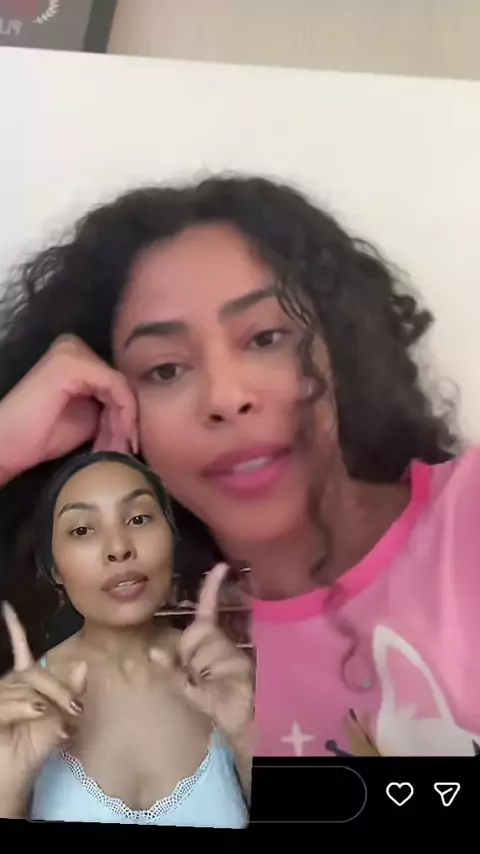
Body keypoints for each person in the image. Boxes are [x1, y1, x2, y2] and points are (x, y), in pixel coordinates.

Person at [0, 174, 478, 759]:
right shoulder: (102, 648)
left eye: (267, 337)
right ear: (114, 411)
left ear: (342, 347)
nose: (227, 398)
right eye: (166, 370)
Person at [0, 451, 252, 824]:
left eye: (138, 519)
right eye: (82, 530)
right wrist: (7, 789)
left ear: (171, 538)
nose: (119, 548)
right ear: (54, 568)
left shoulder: (228, 683)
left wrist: (249, 733)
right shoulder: (18, 713)